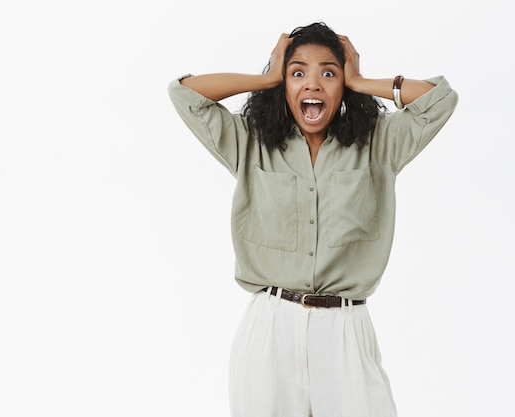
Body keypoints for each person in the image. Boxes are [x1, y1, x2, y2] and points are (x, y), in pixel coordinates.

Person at [168, 22, 458, 417]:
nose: (313, 84)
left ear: (343, 85)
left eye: (329, 72)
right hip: (270, 330)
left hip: (345, 331)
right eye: (298, 72)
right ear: (284, 85)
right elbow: (185, 93)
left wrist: (362, 79)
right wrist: (267, 76)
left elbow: (440, 100)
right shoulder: (251, 143)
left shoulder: (379, 143)